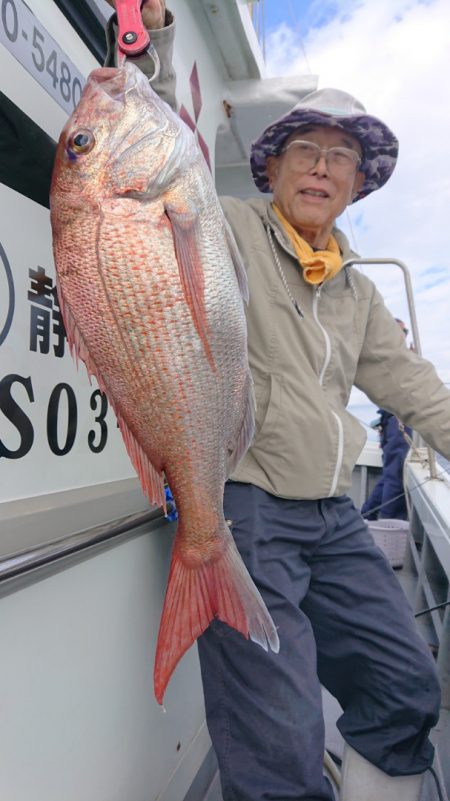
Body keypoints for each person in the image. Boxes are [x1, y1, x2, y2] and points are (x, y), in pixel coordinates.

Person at [105, 4, 450, 799]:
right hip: (247, 514)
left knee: (408, 687)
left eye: (341, 157)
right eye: (306, 150)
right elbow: (149, 157)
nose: (323, 168)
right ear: (275, 168)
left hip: (335, 518)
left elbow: (416, 388)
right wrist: (152, 47)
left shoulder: (358, 292)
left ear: (359, 185)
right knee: (281, 751)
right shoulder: (221, 226)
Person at [361, 320, 412, 520]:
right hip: (397, 420)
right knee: (396, 477)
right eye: (401, 331)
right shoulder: (391, 359)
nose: (403, 335)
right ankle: (388, 525)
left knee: (389, 476)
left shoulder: (389, 359)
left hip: (391, 420)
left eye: (405, 331)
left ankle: (366, 517)